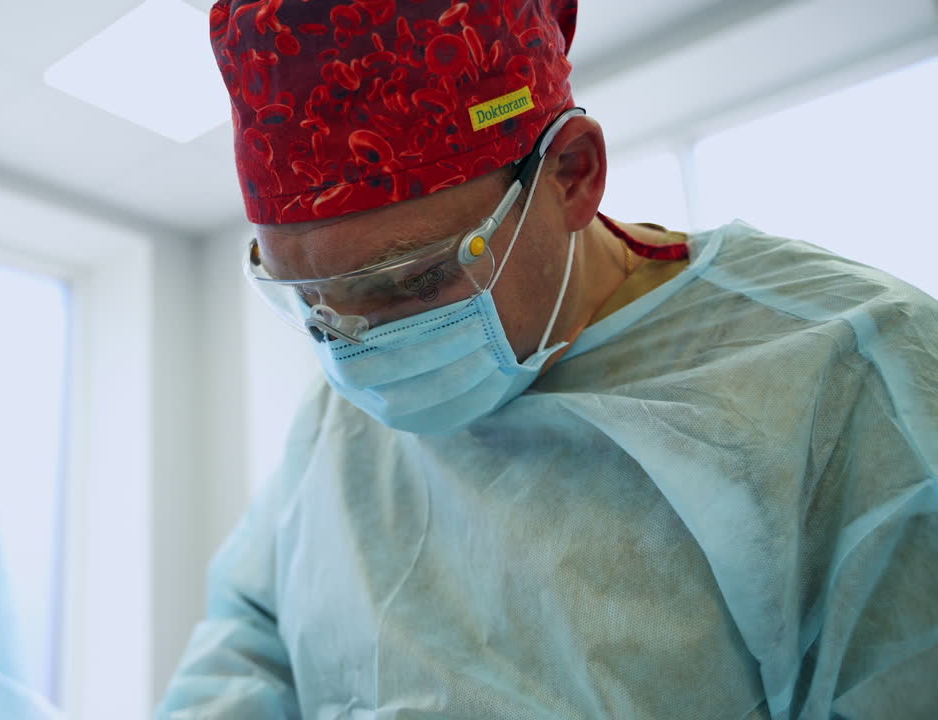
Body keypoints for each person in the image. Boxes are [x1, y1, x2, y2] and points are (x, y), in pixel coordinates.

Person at [157, 1, 938, 717]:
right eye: (313, 304)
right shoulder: (343, 407)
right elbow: (248, 641)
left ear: (572, 175)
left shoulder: (847, 378)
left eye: (414, 281)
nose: (361, 348)